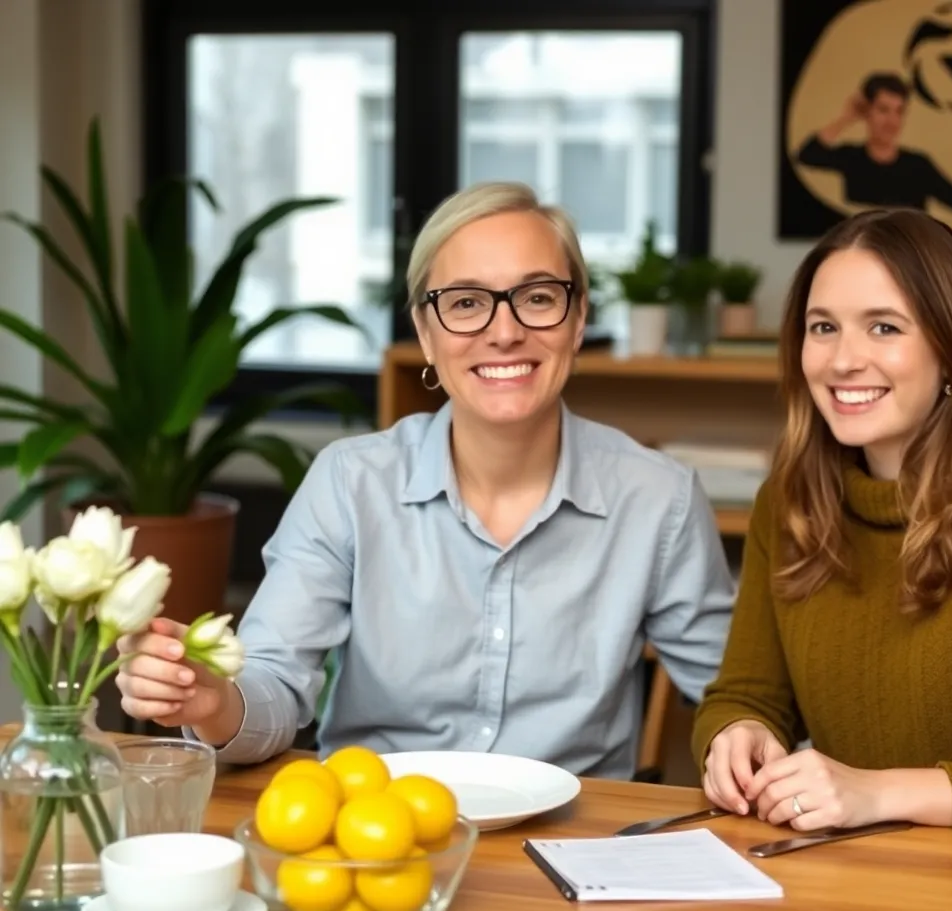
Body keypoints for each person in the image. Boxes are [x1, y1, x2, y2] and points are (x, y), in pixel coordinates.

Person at [115, 181, 735, 777]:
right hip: (376, 835)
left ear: (578, 321)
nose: (504, 330)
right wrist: (213, 702)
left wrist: (755, 744)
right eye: (466, 303)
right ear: (426, 332)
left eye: (538, 297)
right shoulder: (351, 484)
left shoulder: (660, 499)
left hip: (571, 848)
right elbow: (274, 682)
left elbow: (736, 698)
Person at [691, 207, 952, 833]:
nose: (843, 360)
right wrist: (737, 736)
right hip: (844, 881)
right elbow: (746, 693)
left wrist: (874, 794)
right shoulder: (786, 504)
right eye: (823, 327)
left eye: (884, 328)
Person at [794, 72, 952, 212]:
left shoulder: (917, 165)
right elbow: (807, 155)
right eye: (883, 110)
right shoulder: (851, 158)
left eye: (899, 111)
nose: (892, 122)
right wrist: (847, 118)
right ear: (867, 111)